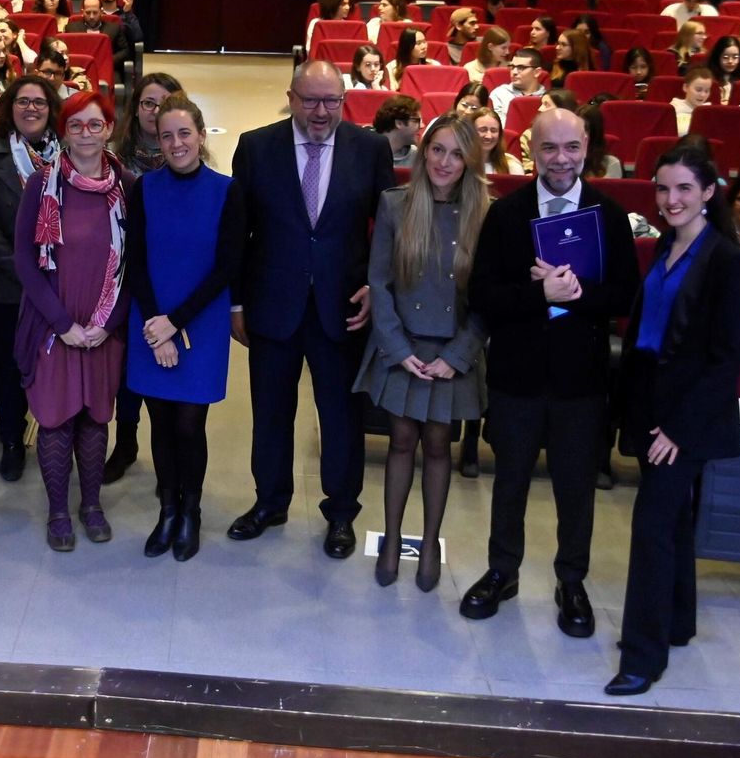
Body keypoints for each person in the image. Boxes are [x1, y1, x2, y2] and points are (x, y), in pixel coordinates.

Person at [463, 109, 639, 636]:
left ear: (587, 147)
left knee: (575, 488)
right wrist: (541, 292)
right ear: (531, 150)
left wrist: (575, 293)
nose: (561, 159)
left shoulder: (609, 215)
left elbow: (626, 296)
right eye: (549, 148)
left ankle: (572, 580)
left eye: (571, 148)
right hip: (516, 374)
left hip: (580, 379)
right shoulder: (507, 213)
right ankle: (502, 571)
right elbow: (483, 295)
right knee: (510, 481)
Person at [226, 60, 394, 558]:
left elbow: (388, 230)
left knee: (341, 418)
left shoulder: (371, 149)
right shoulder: (256, 147)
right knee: (271, 413)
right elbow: (238, 233)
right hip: (273, 304)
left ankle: (341, 513)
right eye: (310, 101)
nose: (321, 112)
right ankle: (269, 502)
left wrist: (377, 286)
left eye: (331, 101)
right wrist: (236, 302)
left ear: (344, 100)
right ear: (291, 98)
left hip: (342, 309)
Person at [607, 144, 740, 697]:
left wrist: (678, 428)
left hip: (688, 414)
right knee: (671, 521)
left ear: (709, 192)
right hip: (649, 399)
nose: (671, 199)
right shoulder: (665, 245)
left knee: (651, 525)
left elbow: (727, 359)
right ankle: (677, 621)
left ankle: (643, 656)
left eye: (684, 189)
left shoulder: (729, 260)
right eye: (663, 189)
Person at [355, 115, 489, 591]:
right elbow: (380, 283)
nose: (445, 162)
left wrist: (458, 355)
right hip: (405, 345)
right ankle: (392, 539)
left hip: (452, 349)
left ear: (470, 161)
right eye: (437, 150)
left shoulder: (485, 213)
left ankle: (429, 542)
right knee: (400, 441)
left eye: (457, 154)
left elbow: (488, 299)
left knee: (437, 445)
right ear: (423, 150)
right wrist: (395, 348)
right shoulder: (396, 204)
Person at [126, 94, 244, 561]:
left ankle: (190, 511)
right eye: (167, 135)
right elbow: (136, 261)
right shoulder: (144, 188)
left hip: (201, 321)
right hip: (150, 319)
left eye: (184, 133)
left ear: (200, 134)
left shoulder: (227, 191)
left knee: (190, 424)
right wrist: (156, 326)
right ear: (157, 140)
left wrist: (175, 324)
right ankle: (167, 510)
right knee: (159, 420)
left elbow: (226, 266)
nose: (176, 143)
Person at [14, 92, 132, 550]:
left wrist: (109, 322)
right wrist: (63, 324)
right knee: (56, 419)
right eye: (76, 125)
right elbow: (25, 260)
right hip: (53, 324)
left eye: (95, 124)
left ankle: (92, 505)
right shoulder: (41, 185)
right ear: (63, 131)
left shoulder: (127, 186)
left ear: (109, 129)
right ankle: (59, 510)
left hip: (104, 326)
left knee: (96, 419)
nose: (86, 133)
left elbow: (135, 264)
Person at [0, 77, 62, 482]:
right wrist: (22, 267)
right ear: (9, 108)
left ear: (51, 109)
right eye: (23, 101)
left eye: (39, 102)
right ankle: (11, 438)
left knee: (56, 364)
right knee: (11, 367)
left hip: (59, 281)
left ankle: (55, 436)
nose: (31, 108)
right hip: (7, 281)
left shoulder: (69, 154)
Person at [67, 0, 133, 73]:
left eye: (95, 12)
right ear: (82, 12)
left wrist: (107, 61)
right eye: (88, 12)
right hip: (80, 69)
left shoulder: (114, 28)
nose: (91, 16)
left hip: (107, 68)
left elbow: (125, 51)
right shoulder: (71, 29)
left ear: (101, 11)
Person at [489, 47, 546, 123]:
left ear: (537, 72)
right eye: (512, 67)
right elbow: (498, 126)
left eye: (521, 68)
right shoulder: (499, 94)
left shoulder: (547, 98)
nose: (514, 72)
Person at [373, 95, 421, 168]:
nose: (422, 125)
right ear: (399, 123)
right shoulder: (363, 151)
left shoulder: (416, 156)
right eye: (417, 120)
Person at [471, 107, 523, 175]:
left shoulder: (512, 165)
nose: (489, 136)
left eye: (493, 131)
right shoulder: (460, 163)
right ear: (470, 131)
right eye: (483, 130)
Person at [671, 68, 715, 136]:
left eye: (706, 91)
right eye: (698, 90)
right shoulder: (673, 109)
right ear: (685, 87)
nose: (703, 95)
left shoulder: (711, 111)